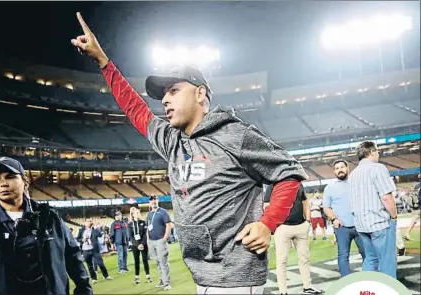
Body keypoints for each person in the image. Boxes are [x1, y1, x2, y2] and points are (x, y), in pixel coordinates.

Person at [71, 13, 308, 294]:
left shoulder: (236, 134)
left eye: (173, 90)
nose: (166, 100)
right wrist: (103, 62)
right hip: (201, 275)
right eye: (163, 95)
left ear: (200, 93)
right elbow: (136, 110)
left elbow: (289, 173)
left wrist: (267, 224)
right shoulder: (173, 140)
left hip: (236, 278)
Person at [0, 157, 93, 294]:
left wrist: (85, 290)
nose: (2, 183)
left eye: (9, 177)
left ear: (25, 181)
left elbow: (74, 260)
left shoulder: (50, 218)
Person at [349, 141, 398, 278]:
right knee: (387, 260)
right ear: (371, 152)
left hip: (361, 225)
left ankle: (367, 289)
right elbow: (386, 197)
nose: (378, 154)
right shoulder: (377, 168)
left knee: (370, 259)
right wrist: (394, 216)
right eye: (377, 151)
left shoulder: (353, 174)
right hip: (379, 223)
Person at [264, 185, 322, 294]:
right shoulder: (272, 185)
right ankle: (283, 291)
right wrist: (275, 226)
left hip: (300, 226)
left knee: (304, 258)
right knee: (281, 260)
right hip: (282, 228)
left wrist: (308, 221)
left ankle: (307, 286)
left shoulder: (298, 184)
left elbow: (305, 202)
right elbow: (267, 207)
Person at [323, 159, 365, 277]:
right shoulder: (329, 188)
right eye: (337, 168)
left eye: (342, 167)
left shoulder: (357, 183)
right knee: (343, 255)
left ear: (347, 168)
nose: (340, 170)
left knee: (367, 253)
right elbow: (326, 207)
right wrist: (334, 219)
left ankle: (370, 279)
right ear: (334, 172)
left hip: (360, 225)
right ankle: (346, 282)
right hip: (342, 227)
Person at [146, 196, 173, 290]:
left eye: (155, 199)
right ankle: (162, 280)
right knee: (157, 262)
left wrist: (164, 239)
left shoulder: (163, 212)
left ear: (157, 201)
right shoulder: (149, 214)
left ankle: (167, 283)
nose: (153, 201)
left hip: (160, 241)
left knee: (163, 262)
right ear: (149, 202)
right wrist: (148, 239)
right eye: (151, 200)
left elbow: (169, 225)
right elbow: (148, 227)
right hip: (151, 242)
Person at [77, 218, 114, 283]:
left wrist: (96, 228)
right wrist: (82, 240)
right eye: (88, 221)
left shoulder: (94, 230)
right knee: (89, 265)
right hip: (85, 250)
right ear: (85, 223)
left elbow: (99, 235)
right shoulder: (81, 230)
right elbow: (78, 239)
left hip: (94, 249)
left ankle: (106, 276)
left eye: (91, 221)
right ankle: (94, 278)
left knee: (100, 263)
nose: (90, 222)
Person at [128, 207, 152, 284]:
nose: (138, 214)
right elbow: (131, 236)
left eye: (139, 213)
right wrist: (137, 244)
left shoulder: (143, 222)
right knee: (136, 261)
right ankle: (137, 277)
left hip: (143, 244)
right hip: (135, 245)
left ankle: (148, 276)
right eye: (137, 213)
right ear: (132, 215)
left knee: (145, 260)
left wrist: (142, 243)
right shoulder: (130, 224)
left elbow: (145, 234)